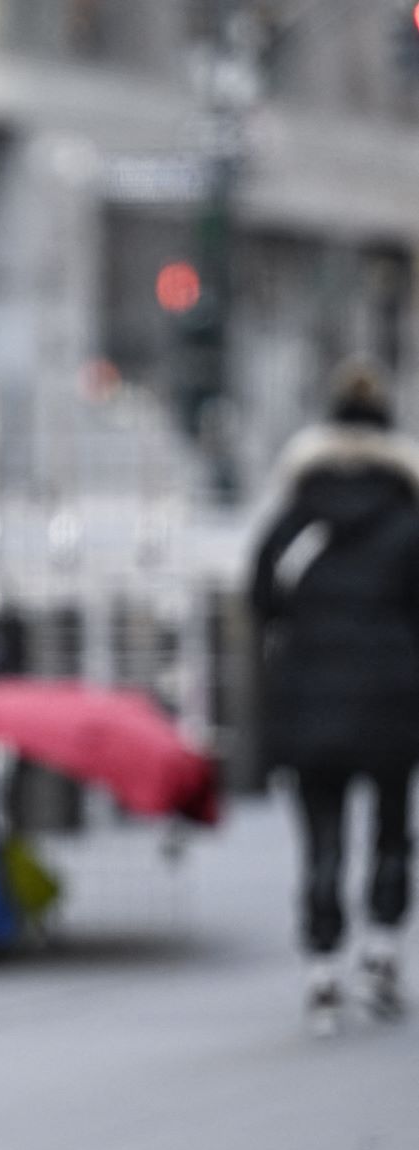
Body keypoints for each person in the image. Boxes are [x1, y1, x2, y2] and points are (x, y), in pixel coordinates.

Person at [252, 359, 419, 1034]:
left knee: (321, 834)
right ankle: (381, 955)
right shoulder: (408, 517)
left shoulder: (297, 515)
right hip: (393, 695)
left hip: (309, 693)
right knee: (391, 828)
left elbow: (261, 599)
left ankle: (322, 968)